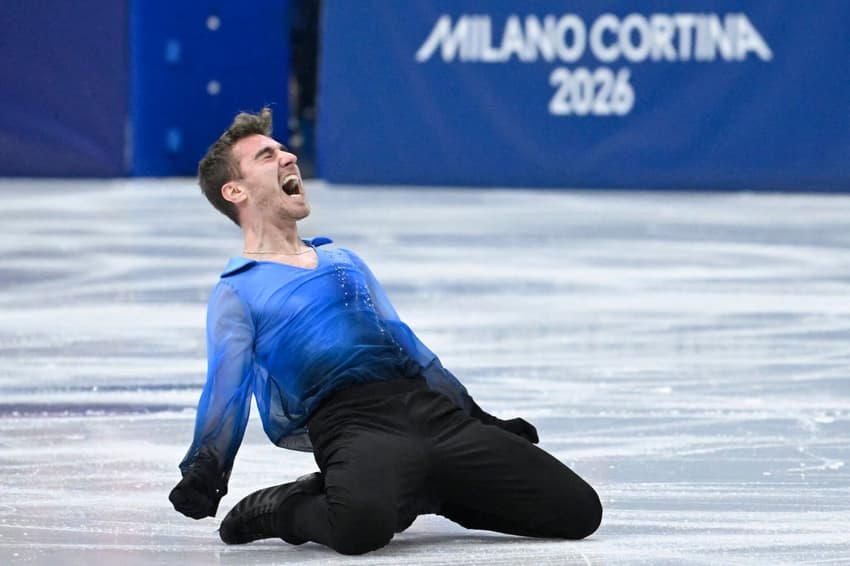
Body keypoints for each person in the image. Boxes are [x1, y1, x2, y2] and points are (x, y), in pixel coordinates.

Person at [168, 108, 603, 555]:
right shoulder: (238, 289)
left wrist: (479, 419)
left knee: (577, 510)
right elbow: (226, 390)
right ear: (235, 189)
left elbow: (407, 347)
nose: (289, 156)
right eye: (267, 155)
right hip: (353, 425)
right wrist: (207, 470)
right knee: (358, 528)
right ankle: (283, 507)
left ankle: (424, 490)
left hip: (429, 411)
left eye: (283, 149)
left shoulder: (343, 261)